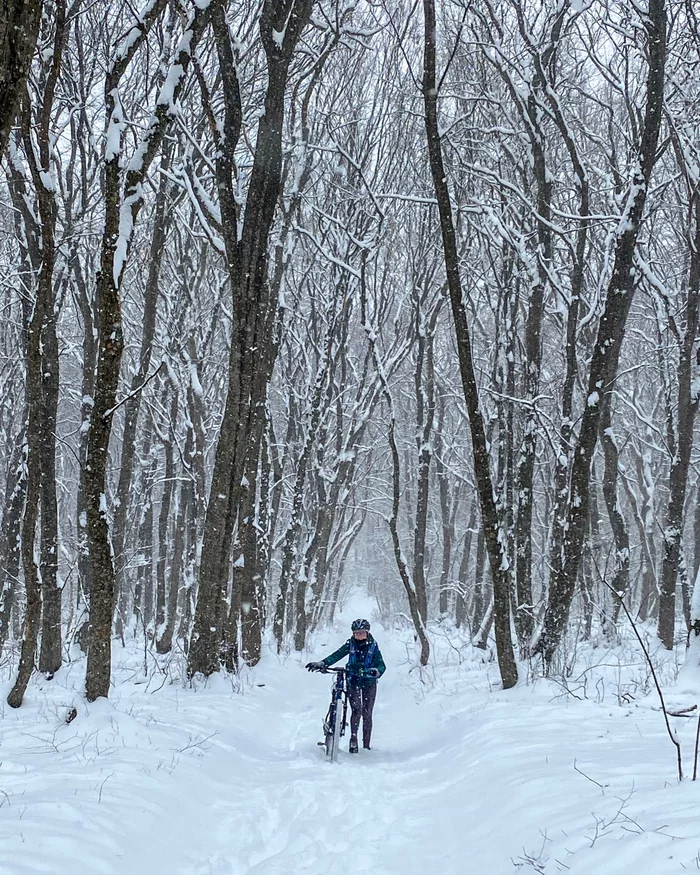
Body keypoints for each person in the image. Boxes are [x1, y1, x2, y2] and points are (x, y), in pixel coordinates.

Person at [306, 619, 386, 753]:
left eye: (361, 633)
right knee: (356, 710)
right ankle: (353, 739)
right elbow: (337, 655)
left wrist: (376, 671)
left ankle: (366, 745)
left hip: (369, 681)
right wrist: (323, 663)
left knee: (367, 713)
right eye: (356, 633)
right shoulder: (351, 644)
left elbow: (381, 665)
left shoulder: (373, 646)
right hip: (353, 680)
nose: (359, 636)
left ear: (367, 633)